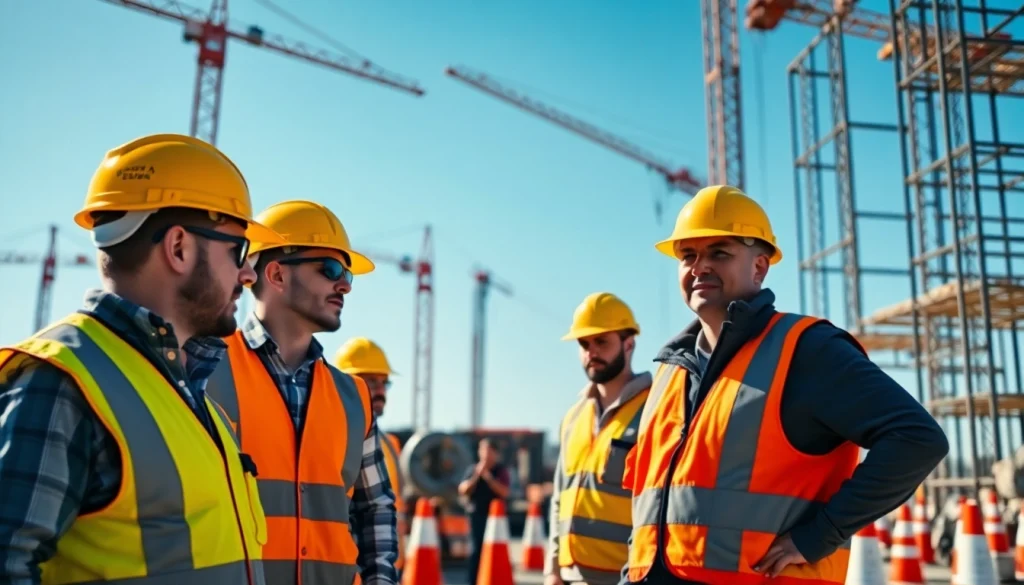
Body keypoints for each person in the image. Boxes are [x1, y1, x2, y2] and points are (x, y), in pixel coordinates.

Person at [619, 185, 950, 585]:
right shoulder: (672, 369)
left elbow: (917, 439)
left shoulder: (807, 350)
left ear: (759, 267)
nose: (699, 266)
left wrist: (818, 536)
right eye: (688, 255)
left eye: (719, 253)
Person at [0, 133, 286, 585]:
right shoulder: (61, 384)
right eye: (239, 252)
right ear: (178, 248)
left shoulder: (189, 394)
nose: (249, 274)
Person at [203, 200, 398, 585]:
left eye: (348, 276)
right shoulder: (205, 372)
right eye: (330, 269)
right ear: (275, 274)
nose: (344, 285)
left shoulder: (353, 397)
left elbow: (375, 508)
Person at [545, 292, 652, 585]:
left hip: (627, 577)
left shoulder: (655, 410)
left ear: (629, 344)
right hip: (570, 577)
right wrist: (553, 570)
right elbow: (559, 499)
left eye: (601, 341)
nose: (591, 351)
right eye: (584, 343)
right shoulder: (573, 417)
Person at [334, 337, 408, 576]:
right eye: (372, 381)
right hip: (349, 567)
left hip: (387, 567)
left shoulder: (389, 444)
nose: (380, 391)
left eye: (385, 383)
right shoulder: (334, 434)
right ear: (346, 383)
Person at [458, 437, 511, 585]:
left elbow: (505, 492)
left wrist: (488, 477)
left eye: (488, 450)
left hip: (495, 519)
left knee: (495, 551)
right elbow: (462, 490)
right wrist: (476, 475)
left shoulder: (500, 471)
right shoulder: (473, 469)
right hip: (476, 515)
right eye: (482, 450)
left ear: (495, 453)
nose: (485, 454)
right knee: (476, 550)